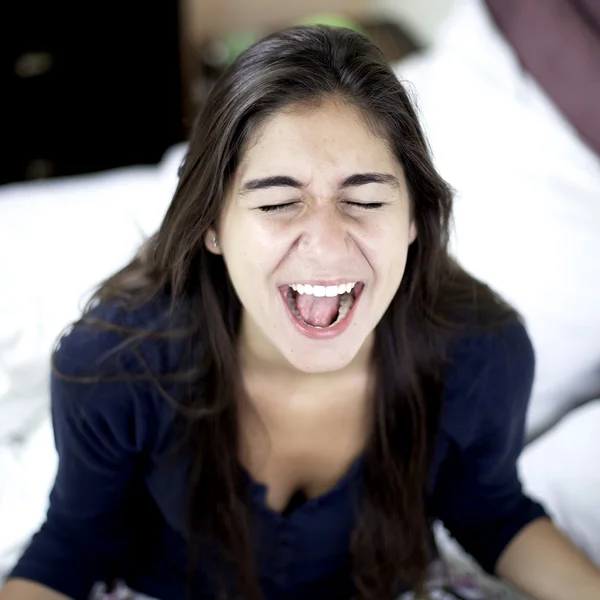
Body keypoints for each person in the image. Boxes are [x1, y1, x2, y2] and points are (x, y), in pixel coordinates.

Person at [1, 25, 599, 600]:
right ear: (212, 224)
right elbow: (74, 543)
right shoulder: (112, 362)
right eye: (280, 202)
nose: (327, 244)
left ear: (414, 218)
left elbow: (491, 512)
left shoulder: (482, 352)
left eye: (364, 199)